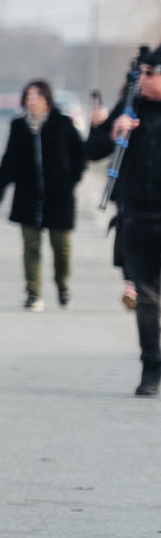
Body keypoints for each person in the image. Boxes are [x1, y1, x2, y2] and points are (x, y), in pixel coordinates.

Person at [86, 60, 161, 394]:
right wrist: (112, 131)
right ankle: (151, 369)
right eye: (141, 73)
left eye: (149, 74)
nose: (141, 80)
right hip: (136, 218)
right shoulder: (129, 107)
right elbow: (92, 151)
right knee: (146, 299)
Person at [0, 80, 86, 311]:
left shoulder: (62, 123)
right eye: (28, 97)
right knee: (31, 246)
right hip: (27, 194)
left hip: (59, 196)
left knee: (61, 247)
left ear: (47, 100)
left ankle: (62, 284)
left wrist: (70, 179)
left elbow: (80, 155)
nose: (32, 101)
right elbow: (9, 160)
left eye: (37, 97)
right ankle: (33, 293)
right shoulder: (18, 126)